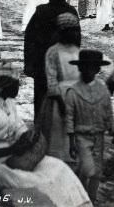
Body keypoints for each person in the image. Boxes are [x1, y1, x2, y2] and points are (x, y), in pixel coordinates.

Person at [0, 73, 91, 207]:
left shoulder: (9, 103)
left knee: (58, 167)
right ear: (1, 87)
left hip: (18, 155)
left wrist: (29, 138)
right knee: (40, 183)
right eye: (13, 84)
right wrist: (11, 149)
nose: (18, 87)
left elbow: (19, 126)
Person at [24, 0, 79, 116]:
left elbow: (29, 39)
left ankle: (40, 132)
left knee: (42, 101)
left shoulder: (41, 12)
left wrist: (29, 65)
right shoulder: (71, 11)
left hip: (42, 64)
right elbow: (77, 41)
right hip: (66, 66)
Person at [65, 49, 114, 204]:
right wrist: (71, 140)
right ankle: (80, 195)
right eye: (85, 67)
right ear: (80, 68)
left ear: (98, 69)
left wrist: (113, 129)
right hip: (81, 136)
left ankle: (90, 199)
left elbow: (108, 110)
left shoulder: (102, 90)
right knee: (87, 168)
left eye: (93, 67)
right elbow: (69, 117)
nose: (88, 71)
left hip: (98, 135)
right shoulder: (73, 91)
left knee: (97, 172)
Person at [40, 12, 81, 165]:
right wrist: (62, 103)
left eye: (76, 30)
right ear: (62, 31)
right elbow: (51, 79)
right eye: (71, 30)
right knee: (58, 134)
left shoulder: (77, 51)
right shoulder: (53, 51)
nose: (75, 34)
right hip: (59, 100)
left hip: (76, 96)